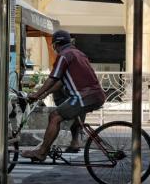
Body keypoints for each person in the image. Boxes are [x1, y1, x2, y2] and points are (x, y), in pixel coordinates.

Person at [21, 30, 106, 161]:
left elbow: (53, 78)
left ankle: (42, 152)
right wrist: (45, 93)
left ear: (55, 44)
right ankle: (74, 142)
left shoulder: (64, 55)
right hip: (95, 95)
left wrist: (36, 94)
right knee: (72, 114)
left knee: (54, 116)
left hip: (83, 96)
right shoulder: (78, 53)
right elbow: (60, 81)